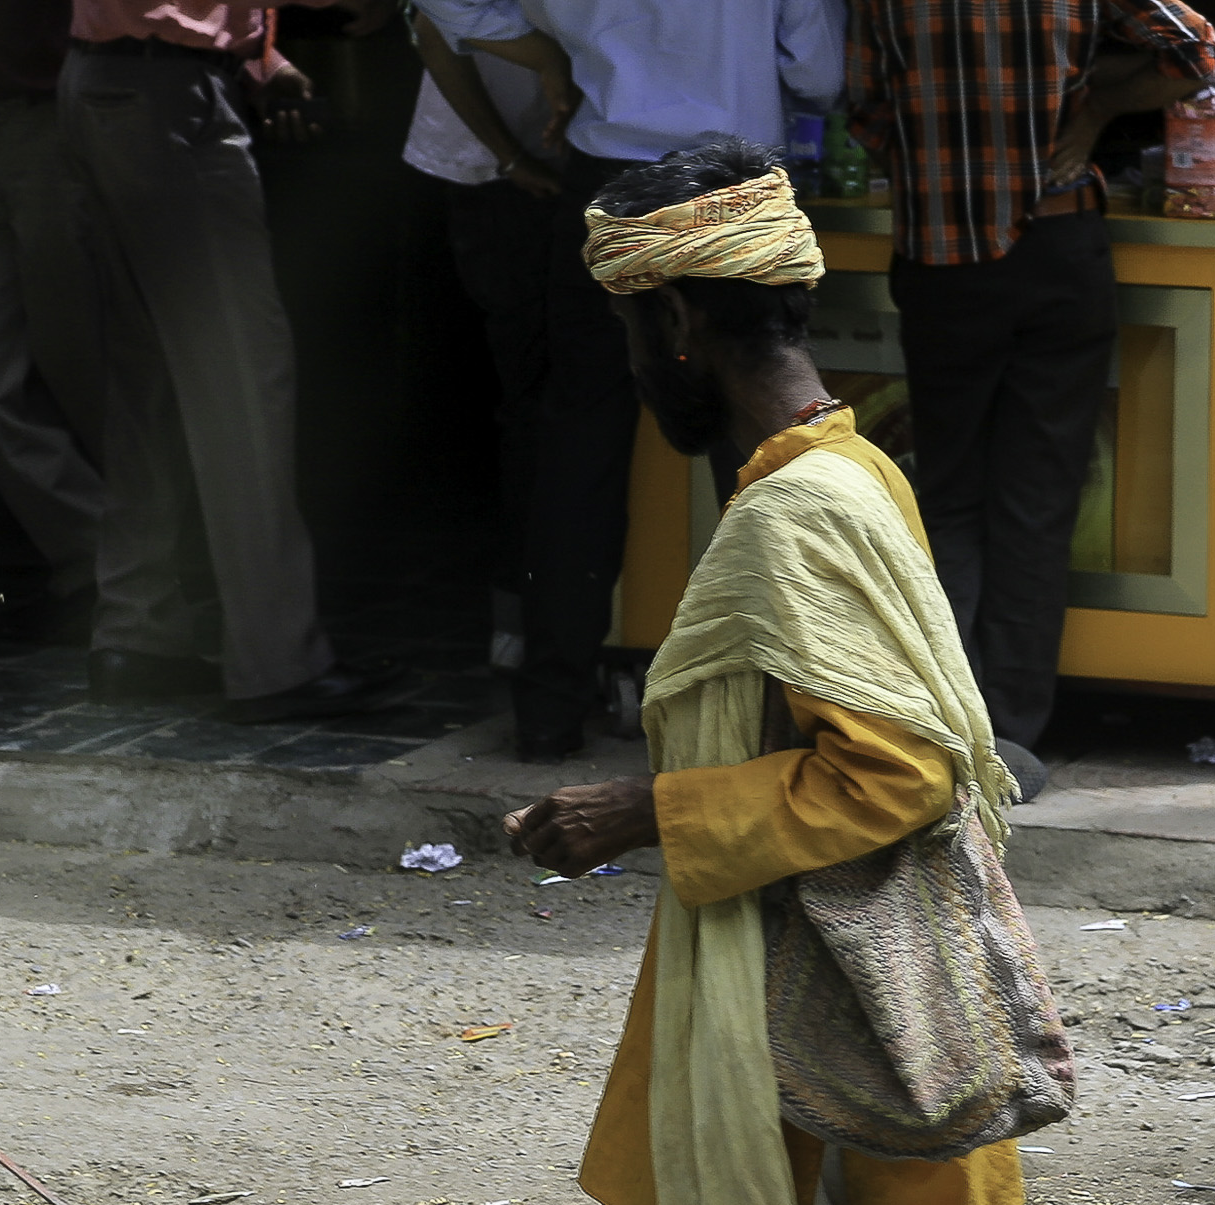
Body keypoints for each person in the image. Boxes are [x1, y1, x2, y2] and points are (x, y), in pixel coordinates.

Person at [501, 136, 1215, 1205]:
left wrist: (641, 815)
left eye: (632, 335)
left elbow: (892, 769)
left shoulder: (796, 512)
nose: (636, 370)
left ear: (671, 320)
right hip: (766, 1045)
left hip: (779, 1068)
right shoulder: (850, 479)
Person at [412, 0, 846, 761]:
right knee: (756, 450)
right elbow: (817, 71)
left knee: (580, 440)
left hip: (606, 178)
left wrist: (548, 56)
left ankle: (548, 710)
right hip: (731, 191)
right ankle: (783, 719)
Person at [849, 0, 1215, 792]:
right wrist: (1088, 110)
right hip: (1057, 250)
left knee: (946, 498)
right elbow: (1193, 54)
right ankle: (1009, 740)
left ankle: (947, 730)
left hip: (943, 258)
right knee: (1037, 500)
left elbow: (866, 109)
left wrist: (937, 164)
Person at [58, 0, 399, 715]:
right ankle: (274, 660)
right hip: (165, 97)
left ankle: (138, 634)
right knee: (240, 375)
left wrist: (258, 58)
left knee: (147, 379)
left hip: (125, 82)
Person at [403, 12, 561, 676]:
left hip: (574, 162)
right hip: (502, 175)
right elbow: (437, 26)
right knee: (539, 399)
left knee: (563, 397)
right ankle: (526, 617)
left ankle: (552, 622)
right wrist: (511, 156)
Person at [0, 0, 105, 645]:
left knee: (89, 374)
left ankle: (141, 584)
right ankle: (105, 560)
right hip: (17, 123)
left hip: (63, 117)